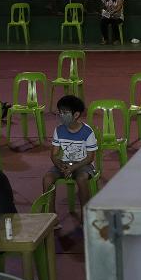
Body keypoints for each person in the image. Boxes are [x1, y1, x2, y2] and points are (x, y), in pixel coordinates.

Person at [43, 95, 98, 223]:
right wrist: (59, 165)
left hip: (83, 164)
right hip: (64, 164)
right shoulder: (59, 130)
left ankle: (86, 217)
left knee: (81, 178)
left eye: (65, 113)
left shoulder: (87, 132)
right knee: (47, 179)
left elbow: (90, 158)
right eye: (60, 112)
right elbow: (54, 154)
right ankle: (52, 218)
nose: (61, 115)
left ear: (76, 115)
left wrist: (73, 167)